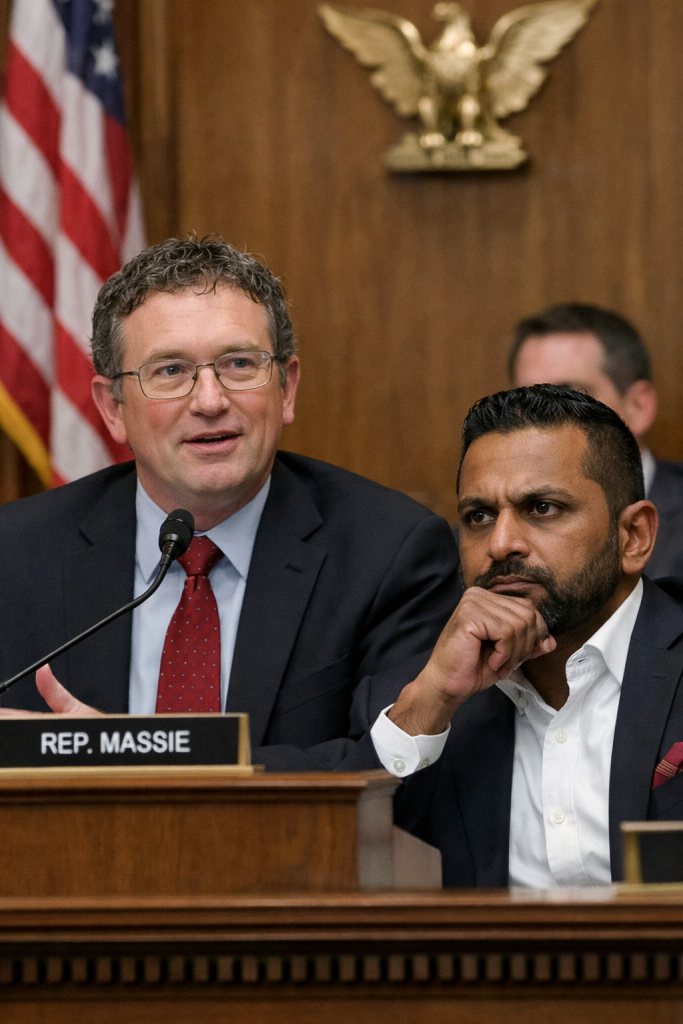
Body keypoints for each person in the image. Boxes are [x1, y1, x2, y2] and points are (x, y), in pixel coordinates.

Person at [0, 236, 459, 771]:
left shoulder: (389, 555)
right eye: (170, 370)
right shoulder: (15, 558)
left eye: (239, 363)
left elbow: (390, 765)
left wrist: (130, 760)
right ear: (113, 408)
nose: (210, 400)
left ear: (286, 388)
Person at [368, 385, 683, 887]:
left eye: (542, 508)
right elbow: (334, 853)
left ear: (633, 537)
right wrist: (432, 702)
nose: (500, 544)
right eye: (479, 516)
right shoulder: (424, 687)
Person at [509, 302, 683, 577]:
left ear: (638, 407)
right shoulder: (480, 537)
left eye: (570, 398)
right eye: (526, 400)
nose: (540, 420)